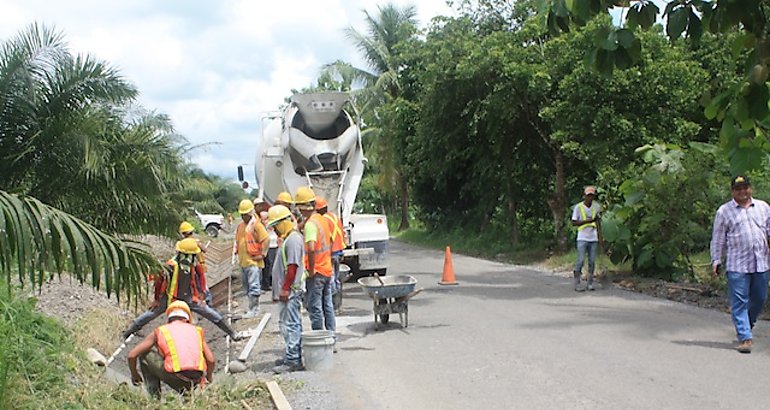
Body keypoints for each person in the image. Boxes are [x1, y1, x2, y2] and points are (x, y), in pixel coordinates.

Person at [122, 238, 240, 340]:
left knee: (209, 313)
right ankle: (129, 332)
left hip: (188, 297)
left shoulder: (194, 265)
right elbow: (159, 282)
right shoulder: (170, 266)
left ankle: (231, 332)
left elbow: (201, 280)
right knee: (151, 314)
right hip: (169, 298)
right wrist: (157, 299)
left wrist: (202, 295)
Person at [711, 175, 770, 353]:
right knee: (739, 302)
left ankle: (747, 324)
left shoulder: (763, 207)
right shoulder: (724, 211)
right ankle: (745, 337)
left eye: (745, 188)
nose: (742, 192)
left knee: (760, 299)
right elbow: (718, 238)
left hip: (761, 262)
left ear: (750, 189)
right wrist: (716, 260)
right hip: (737, 265)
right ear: (733, 192)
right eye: (738, 189)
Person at [127, 300, 215, 398]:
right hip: (196, 380)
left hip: (175, 377)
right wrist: (208, 378)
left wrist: (135, 375)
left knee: (145, 355)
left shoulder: (161, 331)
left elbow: (132, 355)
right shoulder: (197, 331)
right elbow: (211, 360)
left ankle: (154, 399)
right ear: (187, 318)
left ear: (169, 318)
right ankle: (189, 397)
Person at [266, 205, 306, 373]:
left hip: (291, 292)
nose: (274, 230)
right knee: (287, 325)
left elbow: (292, 267)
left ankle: (293, 360)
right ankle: (291, 355)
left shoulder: (294, 240)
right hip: (288, 291)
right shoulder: (289, 239)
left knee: (291, 325)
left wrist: (285, 289)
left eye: (276, 225)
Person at [294, 187, 336, 337]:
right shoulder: (321, 220)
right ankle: (331, 337)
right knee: (328, 306)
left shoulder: (311, 224)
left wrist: (311, 270)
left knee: (315, 306)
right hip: (326, 270)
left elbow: (311, 249)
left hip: (316, 271)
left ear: (302, 207)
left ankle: (320, 339)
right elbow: (330, 241)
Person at [234, 199, 269, 318]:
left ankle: (254, 310)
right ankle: (251, 308)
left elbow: (266, 239)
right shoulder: (240, 226)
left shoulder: (256, 225)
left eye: (245, 214)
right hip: (243, 262)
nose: (244, 217)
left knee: (254, 287)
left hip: (253, 262)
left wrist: (263, 254)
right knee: (247, 288)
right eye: (242, 215)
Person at [571, 186, 602, 292]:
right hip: (582, 237)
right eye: (588, 195)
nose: (590, 198)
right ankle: (577, 282)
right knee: (580, 260)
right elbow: (574, 222)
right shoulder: (578, 207)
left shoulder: (596, 207)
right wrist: (588, 221)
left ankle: (590, 283)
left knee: (592, 261)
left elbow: (598, 222)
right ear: (584, 196)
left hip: (593, 238)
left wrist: (600, 238)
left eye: (592, 196)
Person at [316, 197, 347, 301]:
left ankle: (332, 302)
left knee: (331, 278)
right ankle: (336, 302)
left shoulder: (323, 220)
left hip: (331, 252)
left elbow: (327, 238)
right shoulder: (334, 216)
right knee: (336, 278)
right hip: (338, 250)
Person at [179, 221, 211, 305]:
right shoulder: (194, 242)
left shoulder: (185, 243)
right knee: (201, 285)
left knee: (199, 286)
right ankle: (204, 301)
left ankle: (205, 301)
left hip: (193, 268)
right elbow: (205, 250)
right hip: (195, 267)